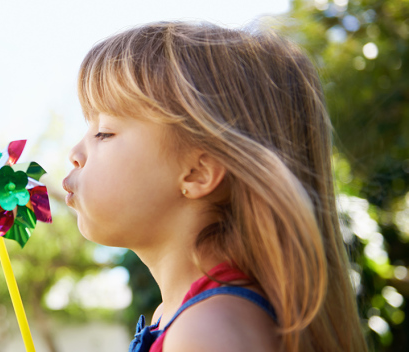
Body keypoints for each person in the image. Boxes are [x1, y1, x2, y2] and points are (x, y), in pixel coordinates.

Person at [62, 21, 367, 352]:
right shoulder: (174, 317)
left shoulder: (208, 331)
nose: (75, 154)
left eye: (104, 132)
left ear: (198, 172)